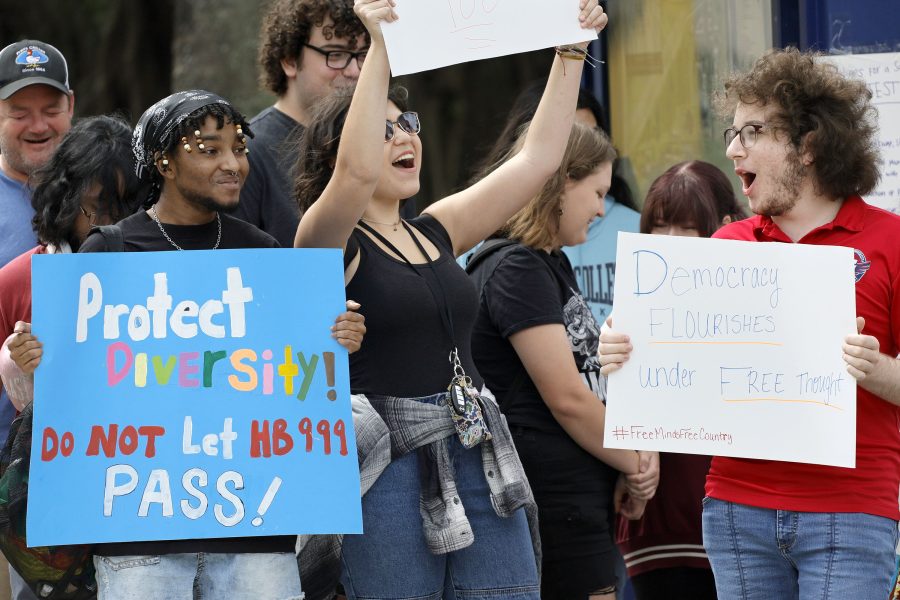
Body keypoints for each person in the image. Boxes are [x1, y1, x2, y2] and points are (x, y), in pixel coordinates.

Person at [293, 0, 609, 597]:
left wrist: (571, 50)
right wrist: (381, 47)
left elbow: (538, 161)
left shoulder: (436, 228)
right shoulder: (326, 239)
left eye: (407, 125)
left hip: (477, 444)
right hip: (387, 466)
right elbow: (355, 176)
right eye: (384, 129)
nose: (404, 136)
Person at [8, 90, 365, 600]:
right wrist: (37, 357)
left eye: (239, 148)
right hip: (136, 535)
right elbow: (77, 387)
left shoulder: (262, 250)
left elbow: (289, 376)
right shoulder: (109, 249)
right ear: (163, 162)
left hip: (255, 530)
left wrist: (335, 338)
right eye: (209, 148)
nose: (233, 164)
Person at [599, 48, 900, 599]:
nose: (732, 149)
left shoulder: (891, 241)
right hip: (737, 512)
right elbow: (679, 375)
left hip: (851, 510)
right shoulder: (727, 246)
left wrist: (875, 368)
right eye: (732, 132)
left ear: (808, 144)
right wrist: (624, 351)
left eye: (752, 131)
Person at [466, 121, 658, 600]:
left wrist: (624, 463)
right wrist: (636, 464)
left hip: (576, 494)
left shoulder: (548, 262)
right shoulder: (517, 267)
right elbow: (567, 398)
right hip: (552, 500)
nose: (600, 209)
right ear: (561, 182)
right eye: (596, 192)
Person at [615, 160, 745, 600]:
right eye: (659, 226)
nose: (669, 241)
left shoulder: (759, 298)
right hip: (661, 520)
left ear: (725, 226)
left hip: (745, 518)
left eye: (686, 226)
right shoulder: (635, 299)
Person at [0, 115, 143, 410]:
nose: (109, 226)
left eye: (123, 211)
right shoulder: (15, 284)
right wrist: (16, 366)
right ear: (64, 198)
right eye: (95, 208)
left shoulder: (165, 277)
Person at [466, 81, 638, 324]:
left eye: (591, 137)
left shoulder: (632, 227)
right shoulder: (507, 259)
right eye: (567, 140)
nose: (575, 150)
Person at [0, 38, 74, 600]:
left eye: (50, 108)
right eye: (19, 110)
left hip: (96, 454)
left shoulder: (112, 194)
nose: (37, 124)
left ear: (71, 108)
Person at [234, 0, 371, 245]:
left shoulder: (384, 141)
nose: (354, 71)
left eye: (362, 55)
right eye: (336, 54)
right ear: (289, 60)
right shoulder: (247, 152)